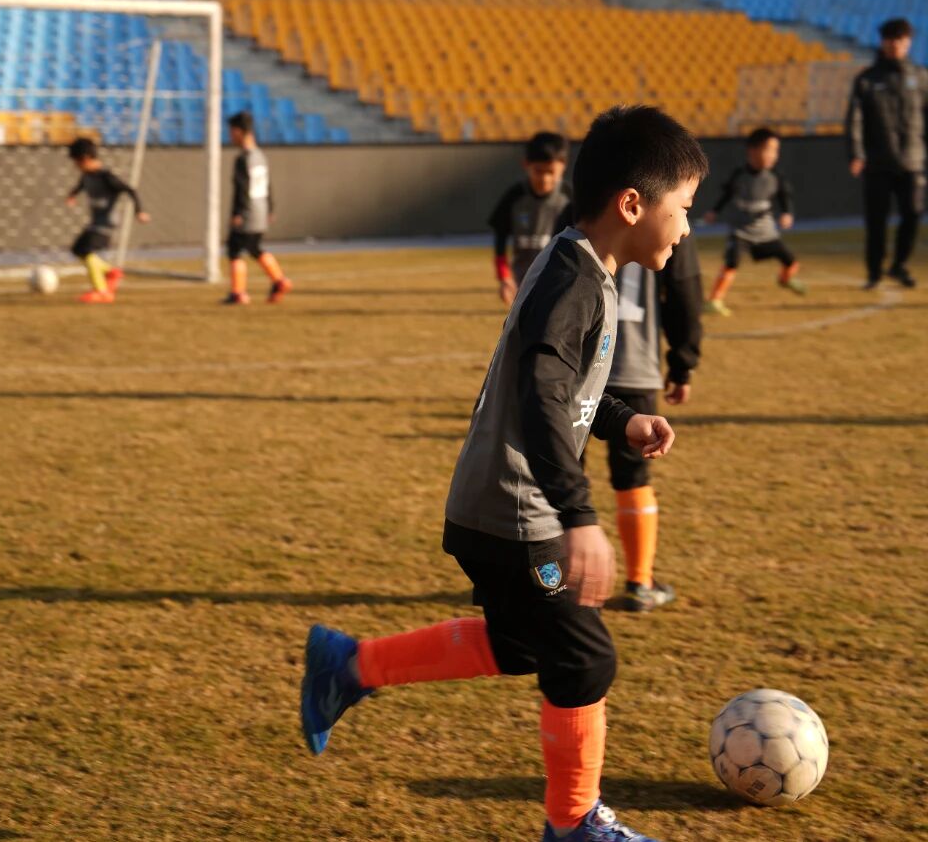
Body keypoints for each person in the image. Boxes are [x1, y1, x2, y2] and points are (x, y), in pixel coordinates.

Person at [298, 105, 707, 842]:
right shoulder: (575, 279)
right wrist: (579, 518)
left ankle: (348, 666)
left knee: (524, 645)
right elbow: (540, 394)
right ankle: (573, 823)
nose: (686, 226)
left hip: (499, 508)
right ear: (632, 205)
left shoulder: (585, 267)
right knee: (584, 658)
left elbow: (566, 389)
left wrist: (622, 419)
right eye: (681, 208)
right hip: (518, 513)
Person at [604, 237, 702, 612]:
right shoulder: (668, 219)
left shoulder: (579, 208)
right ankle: (639, 581)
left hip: (576, 365)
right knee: (633, 475)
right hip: (633, 364)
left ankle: (556, 582)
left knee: (561, 473)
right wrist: (682, 363)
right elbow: (684, 293)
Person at [845, 16, 926, 290]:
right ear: (882, 42)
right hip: (877, 162)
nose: (895, 45)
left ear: (908, 42)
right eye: (890, 40)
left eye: (900, 40)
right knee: (876, 221)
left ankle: (899, 265)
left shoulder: (920, 77)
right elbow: (854, 119)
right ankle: (874, 272)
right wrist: (856, 153)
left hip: (912, 160)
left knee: (913, 213)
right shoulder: (867, 79)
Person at [702, 127, 803, 317]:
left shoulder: (775, 176)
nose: (773, 155)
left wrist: (787, 213)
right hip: (740, 230)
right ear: (752, 151)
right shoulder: (739, 175)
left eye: (776, 151)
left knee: (790, 261)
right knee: (732, 262)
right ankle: (714, 300)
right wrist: (714, 211)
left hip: (765, 231)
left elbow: (784, 196)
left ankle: (785, 279)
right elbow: (726, 194)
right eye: (769, 150)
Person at [489, 131, 574, 306]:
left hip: (559, 281)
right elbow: (500, 237)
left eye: (551, 172)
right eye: (538, 171)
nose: (545, 178)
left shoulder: (570, 199)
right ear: (526, 165)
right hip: (522, 282)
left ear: (563, 166)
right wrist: (504, 277)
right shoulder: (514, 197)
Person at [65, 137, 150, 304]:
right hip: (95, 223)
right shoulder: (86, 176)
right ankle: (111, 272)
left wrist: (139, 212)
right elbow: (81, 185)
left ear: (85, 158)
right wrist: (72, 195)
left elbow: (130, 190)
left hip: (106, 224)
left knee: (87, 252)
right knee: (77, 249)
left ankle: (102, 291)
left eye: (76, 162)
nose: (75, 166)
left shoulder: (107, 177)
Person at [224, 111, 291, 305]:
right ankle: (279, 280)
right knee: (255, 248)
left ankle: (238, 293)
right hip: (260, 210)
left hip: (247, 211)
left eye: (232, 132)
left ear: (239, 131)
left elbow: (242, 188)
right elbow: (267, 185)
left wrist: (237, 212)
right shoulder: (260, 156)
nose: (230, 136)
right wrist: (270, 207)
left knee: (234, 249)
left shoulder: (243, 159)